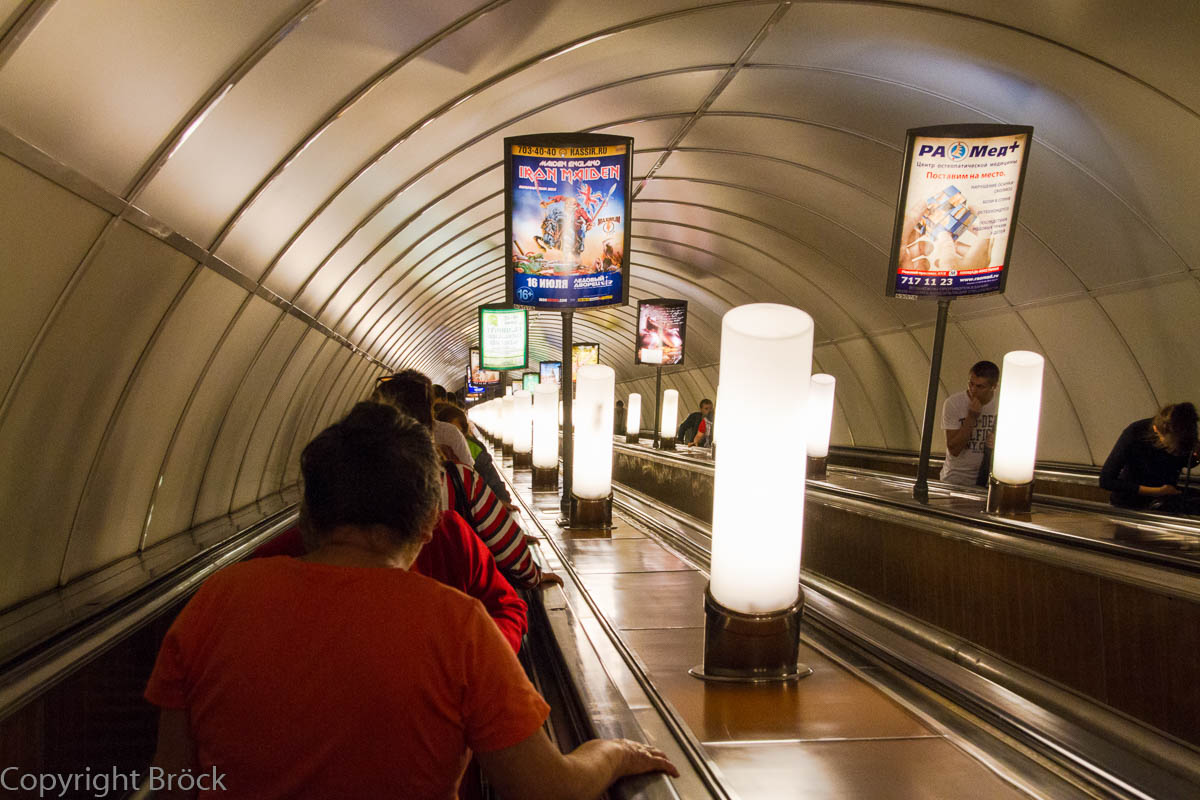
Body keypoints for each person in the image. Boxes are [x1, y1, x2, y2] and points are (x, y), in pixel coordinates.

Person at [145, 403, 676, 799]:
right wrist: (615, 752)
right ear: (429, 521)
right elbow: (545, 789)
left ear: (309, 515)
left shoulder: (217, 601)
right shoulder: (457, 626)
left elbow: (172, 783)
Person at [374, 370, 557, 590]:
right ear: (428, 418)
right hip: (449, 595)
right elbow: (506, 546)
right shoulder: (457, 479)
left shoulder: (358, 478)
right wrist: (532, 574)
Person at [1100, 402, 1200, 514]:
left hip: (1163, 503)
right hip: (1128, 506)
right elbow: (1106, 480)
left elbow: (1184, 462)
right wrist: (1156, 491)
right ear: (1157, 430)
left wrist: (1197, 456)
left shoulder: (1183, 434)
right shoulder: (1135, 432)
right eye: (1169, 447)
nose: (1173, 451)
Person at [435, 402, 513, 505]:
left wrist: (503, 500)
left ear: (464, 432)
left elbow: (493, 482)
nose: (452, 437)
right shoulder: (431, 450)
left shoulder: (475, 450)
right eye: (447, 431)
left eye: (455, 432)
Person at [940, 361, 999, 486]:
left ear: (993, 387)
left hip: (986, 481)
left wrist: (999, 445)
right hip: (955, 479)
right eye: (970, 384)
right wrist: (971, 417)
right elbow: (954, 449)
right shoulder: (953, 403)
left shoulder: (1001, 405)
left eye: (980, 387)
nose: (973, 390)